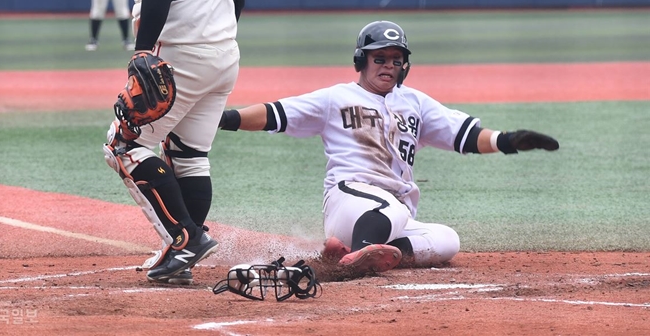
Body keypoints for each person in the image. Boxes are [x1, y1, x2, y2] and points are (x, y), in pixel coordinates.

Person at [218, 20, 559, 275]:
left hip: (391, 215)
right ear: (361, 60)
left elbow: (466, 136)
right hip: (348, 201)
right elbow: (274, 114)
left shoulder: (416, 103)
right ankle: (362, 255)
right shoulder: (336, 97)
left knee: (446, 240)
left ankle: (353, 254)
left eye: (396, 60)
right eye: (379, 58)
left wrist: (509, 141)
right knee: (392, 208)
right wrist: (225, 118)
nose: (388, 66)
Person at [102, 0, 247, 285]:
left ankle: (184, 239)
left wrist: (143, 50)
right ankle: (182, 252)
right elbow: (237, 0)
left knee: (123, 144)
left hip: (181, 51)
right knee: (189, 155)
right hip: (224, 54)